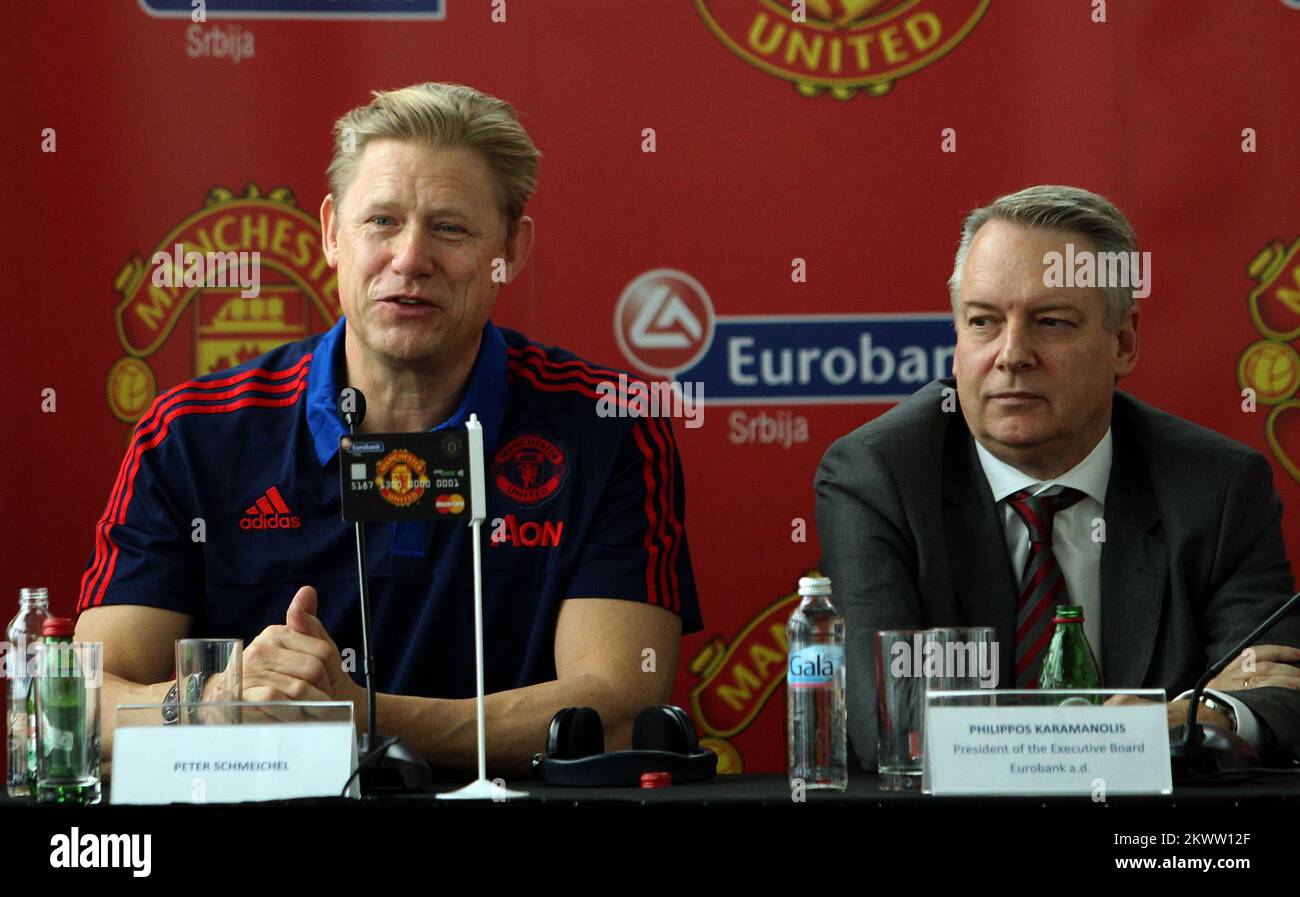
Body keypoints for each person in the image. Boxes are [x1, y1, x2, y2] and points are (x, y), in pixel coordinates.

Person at [75, 82, 700, 774]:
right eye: (381, 221)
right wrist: (218, 698)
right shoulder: (190, 434)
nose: (409, 259)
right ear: (330, 233)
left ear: (512, 249)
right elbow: (84, 703)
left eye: (450, 227)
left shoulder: (607, 425)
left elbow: (614, 708)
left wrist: (353, 713)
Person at [815, 184, 1300, 770]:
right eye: (983, 322)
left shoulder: (1216, 486)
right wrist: (1120, 735)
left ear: (1122, 342)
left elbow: (1279, 688)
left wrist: (1209, 713)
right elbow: (889, 727)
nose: (1011, 354)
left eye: (1050, 322)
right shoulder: (880, 476)